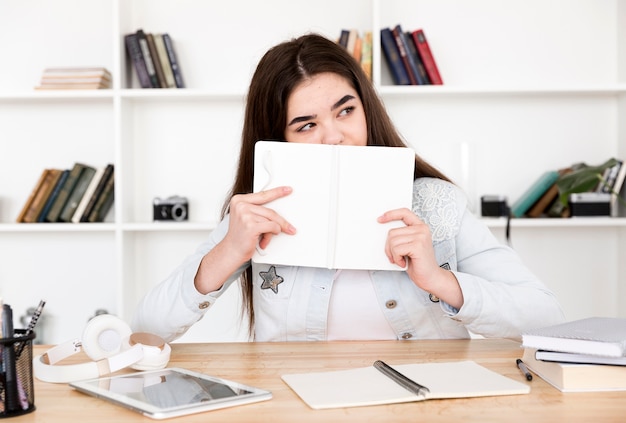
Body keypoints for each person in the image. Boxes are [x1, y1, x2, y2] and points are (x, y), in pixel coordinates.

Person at [132, 33, 565, 342]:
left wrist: (438, 279)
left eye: (345, 111)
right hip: (300, 404)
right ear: (277, 140)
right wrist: (228, 251)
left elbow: (545, 316)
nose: (335, 136)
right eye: (306, 125)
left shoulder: (435, 202)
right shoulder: (256, 215)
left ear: (366, 109)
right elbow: (149, 326)